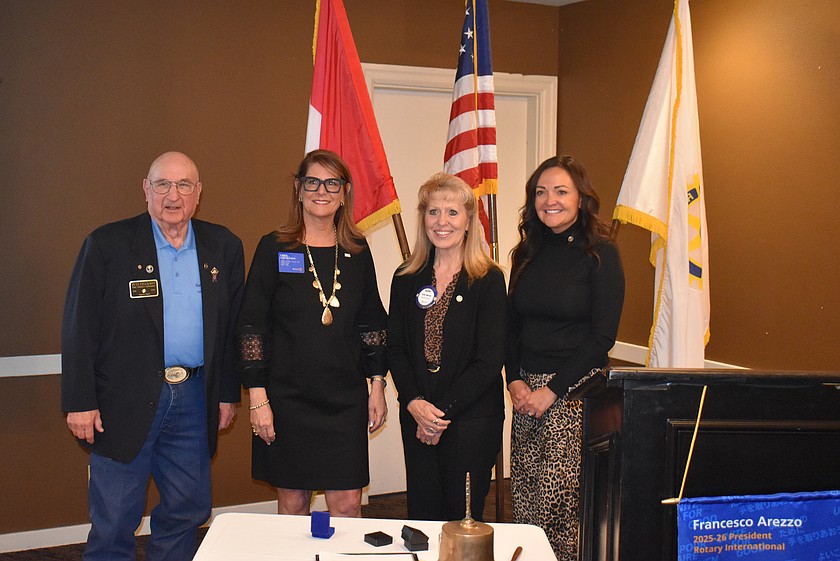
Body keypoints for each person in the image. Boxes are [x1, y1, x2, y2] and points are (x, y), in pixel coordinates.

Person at [61, 151, 245, 560]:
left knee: (186, 512)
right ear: (146, 189)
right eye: (162, 184)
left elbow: (231, 328)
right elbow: (78, 327)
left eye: (183, 185)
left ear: (198, 194)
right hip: (121, 402)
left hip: (195, 399)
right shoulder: (107, 244)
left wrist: (227, 393)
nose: (173, 195)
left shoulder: (223, 246)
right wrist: (79, 401)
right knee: (115, 519)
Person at [236, 149, 388, 517]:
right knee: (293, 503)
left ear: (344, 192)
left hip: (344, 400)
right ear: (298, 189)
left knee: (349, 504)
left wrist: (378, 384)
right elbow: (250, 326)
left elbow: (371, 322)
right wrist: (258, 399)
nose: (322, 190)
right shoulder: (275, 247)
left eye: (332, 182)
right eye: (313, 182)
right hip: (288, 399)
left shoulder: (357, 250)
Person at [506, 155, 624, 559]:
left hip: (575, 394)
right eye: (541, 192)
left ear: (580, 199)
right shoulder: (525, 252)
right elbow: (510, 326)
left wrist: (551, 391)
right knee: (525, 493)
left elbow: (601, 338)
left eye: (560, 191)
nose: (549, 200)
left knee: (562, 508)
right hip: (526, 392)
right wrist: (515, 381)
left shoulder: (601, 254)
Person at [388, 172, 506, 521]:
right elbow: (395, 348)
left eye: (452, 212)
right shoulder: (406, 277)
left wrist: (439, 413)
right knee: (422, 517)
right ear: (423, 218)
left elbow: (489, 360)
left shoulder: (488, 278)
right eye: (433, 212)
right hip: (417, 415)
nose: (442, 222)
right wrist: (414, 403)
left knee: (463, 519)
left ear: (468, 221)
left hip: (471, 420)